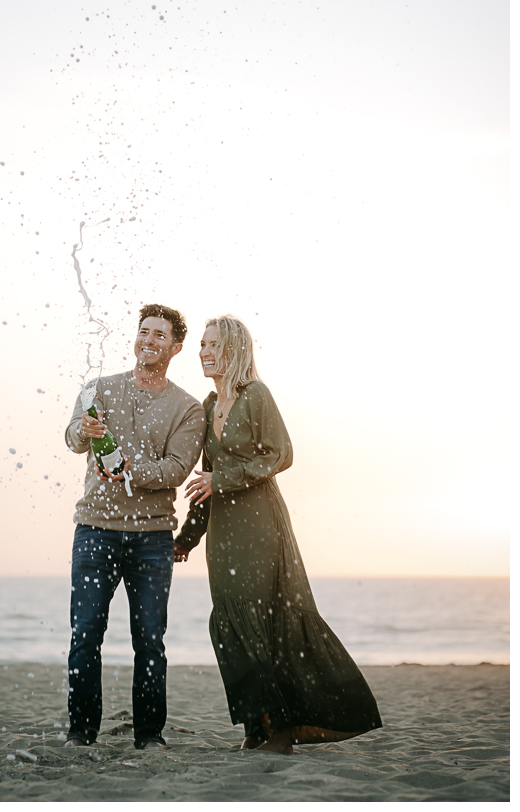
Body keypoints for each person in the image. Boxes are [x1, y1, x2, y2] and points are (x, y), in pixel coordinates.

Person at [174, 315, 382, 754]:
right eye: (202, 345)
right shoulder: (211, 405)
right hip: (223, 532)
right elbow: (204, 480)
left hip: (259, 524)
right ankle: (256, 726)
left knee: (261, 622)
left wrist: (224, 478)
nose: (203, 351)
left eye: (213, 344)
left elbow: (281, 454)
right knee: (230, 624)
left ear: (233, 349)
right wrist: (187, 537)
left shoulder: (256, 396)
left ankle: (283, 730)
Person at [64, 304, 207, 750]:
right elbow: (71, 438)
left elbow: (177, 469)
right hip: (95, 529)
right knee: (85, 634)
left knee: (150, 641)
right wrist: (84, 432)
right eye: (144, 332)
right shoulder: (98, 388)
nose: (149, 340)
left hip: (152, 538)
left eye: (159, 336)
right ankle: (81, 733)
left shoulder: (187, 408)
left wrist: (130, 470)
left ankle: (149, 736)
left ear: (175, 347)